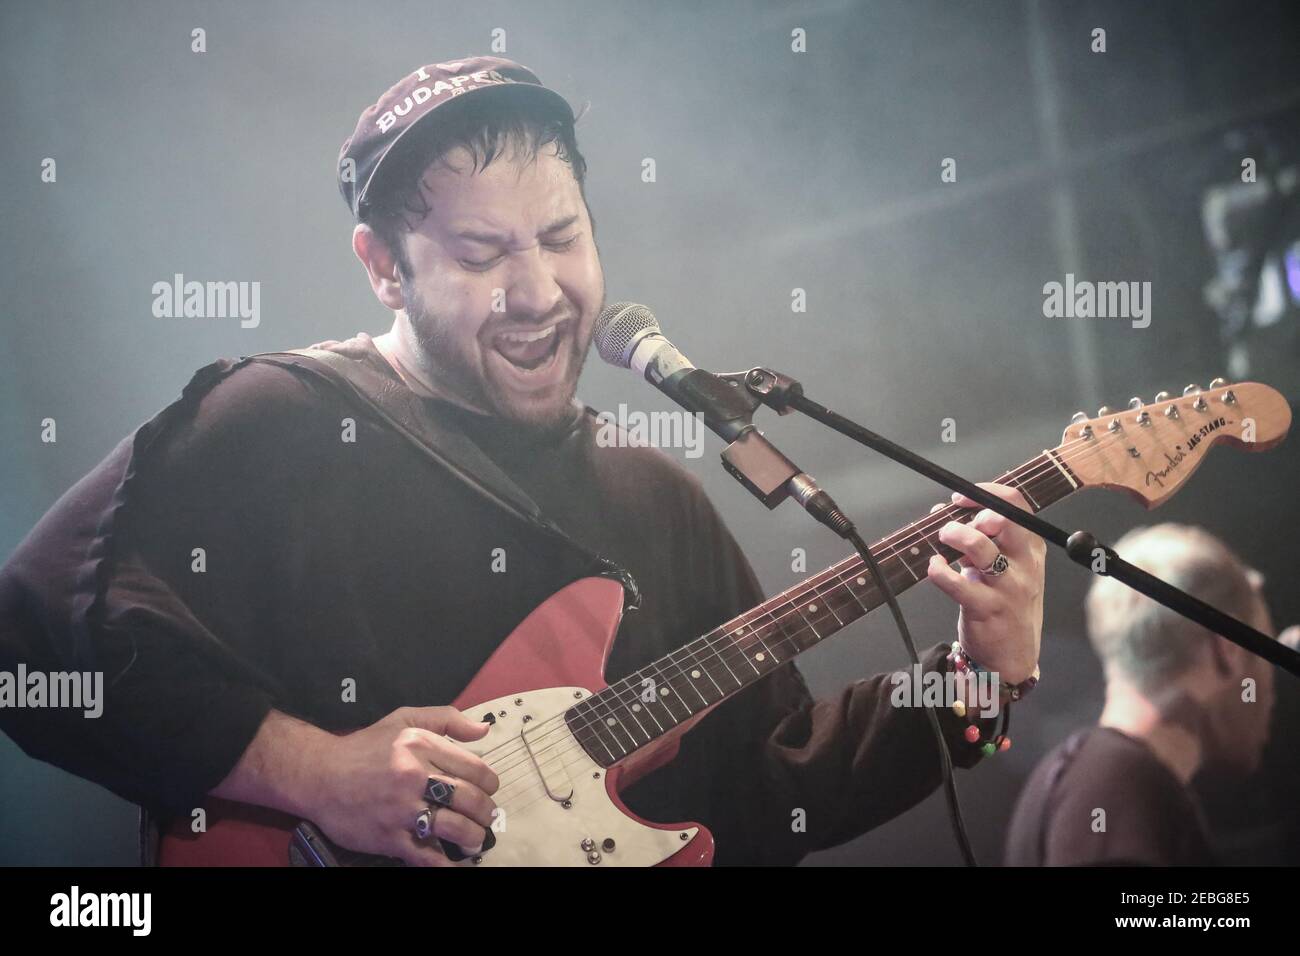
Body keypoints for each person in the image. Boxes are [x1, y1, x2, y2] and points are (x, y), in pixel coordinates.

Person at [0, 56, 1046, 866]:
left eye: (560, 234)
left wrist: (983, 683)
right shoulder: (278, 419)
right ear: (383, 268)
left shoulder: (651, 495)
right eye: (480, 253)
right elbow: (32, 647)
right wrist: (317, 771)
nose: (538, 289)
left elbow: (770, 785)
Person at [1005, 523, 1292, 866]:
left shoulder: (1100, 777)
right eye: (1262, 657)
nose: (1271, 690)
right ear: (1228, 650)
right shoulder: (1117, 784)